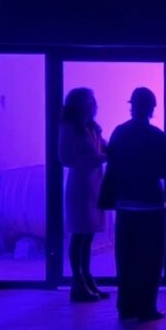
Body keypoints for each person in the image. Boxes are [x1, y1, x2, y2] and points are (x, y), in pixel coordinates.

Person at [99, 87, 166, 321]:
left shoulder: (120, 132)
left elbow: (112, 164)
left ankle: (126, 306)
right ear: (152, 107)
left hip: (125, 204)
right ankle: (147, 307)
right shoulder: (157, 136)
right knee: (150, 258)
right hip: (151, 203)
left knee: (126, 258)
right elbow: (165, 170)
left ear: (132, 106)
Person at [59, 88, 109, 303]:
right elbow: (65, 158)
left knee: (87, 236)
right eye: (88, 102)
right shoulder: (69, 128)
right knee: (79, 234)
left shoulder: (91, 127)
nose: (92, 105)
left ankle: (87, 278)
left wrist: (108, 153)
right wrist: (97, 160)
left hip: (94, 186)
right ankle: (77, 282)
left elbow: (106, 148)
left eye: (93, 101)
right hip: (79, 187)